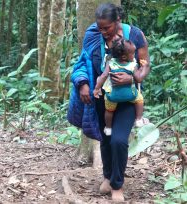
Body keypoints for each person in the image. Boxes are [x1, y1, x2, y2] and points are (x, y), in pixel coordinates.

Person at [67, 3, 150, 201]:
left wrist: (133, 78)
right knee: (105, 138)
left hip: (129, 98)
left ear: (117, 21)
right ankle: (107, 176)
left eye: (107, 28)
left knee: (119, 141)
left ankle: (117, 186)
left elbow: (146, 65)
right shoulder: (93, 35)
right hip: (103, 99)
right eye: (100, 27)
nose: (103, 32)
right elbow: (83, 62)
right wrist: (83, 84)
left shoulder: (135, 35)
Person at [93, 38, 149, 136]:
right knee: (139, 100)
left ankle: (109, 128)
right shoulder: (133, 65)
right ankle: (139, 119)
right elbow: (139, 78)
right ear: (124, 56)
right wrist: (144, 67)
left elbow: (104, 76)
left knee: (109, 111)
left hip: (112, 96)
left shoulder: (110, 63)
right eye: (132, 53)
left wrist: (97, 88)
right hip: (130, 95)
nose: (134, 55)